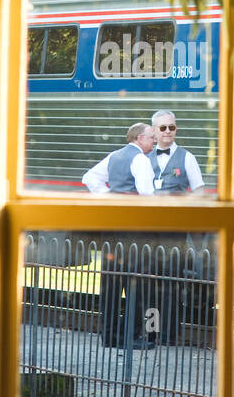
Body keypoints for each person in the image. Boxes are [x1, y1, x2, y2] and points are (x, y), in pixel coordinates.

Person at [82, 124, 156, 348]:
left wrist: (111, 197)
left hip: (112, 226)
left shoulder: (114, 156)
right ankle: (132, 337)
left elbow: (89, 178)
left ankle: (109, 336)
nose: (154, 141)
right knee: (135, 280)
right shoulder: (141, 160)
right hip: (132, 228)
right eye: (152, 138)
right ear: (140, 138)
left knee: (111, 281)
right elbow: (146, 193)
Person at [145, 111, 207, 345]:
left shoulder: (187, 157)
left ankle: (170, 335)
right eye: (163, 128)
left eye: (172, 127)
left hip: (175, 231)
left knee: (171, 283)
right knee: (150, 282)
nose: (168, 132)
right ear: (154, 131)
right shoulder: (144, 157)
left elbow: (199, 190)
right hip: (149, 230)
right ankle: (151, 332)